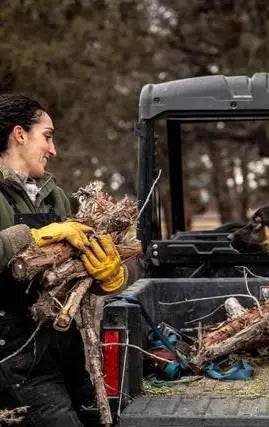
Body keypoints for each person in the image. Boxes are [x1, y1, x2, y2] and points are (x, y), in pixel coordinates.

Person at [0, 94, 141, 426]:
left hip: (64, 351)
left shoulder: (55, 196)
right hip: (13, 358)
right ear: (19, 135)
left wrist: (110, 277)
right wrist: (33, 237)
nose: (53, 150)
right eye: (47, 136)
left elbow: (73, 275)